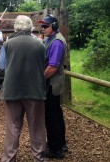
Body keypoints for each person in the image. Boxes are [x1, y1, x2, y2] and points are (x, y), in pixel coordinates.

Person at [0, 15, 47, 162]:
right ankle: (39, 158)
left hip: (13, 90)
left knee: (13, 127)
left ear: (16, 27)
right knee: (37, 127)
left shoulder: (8, 43)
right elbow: (43, 62)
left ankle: (9, 159)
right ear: (31, 26)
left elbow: (1, 65)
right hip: (35, 90)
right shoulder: (40, 44)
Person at [38, 14, 67, 159]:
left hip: (51, 83)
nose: (42, 29)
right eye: (42, 26)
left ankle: (56, 149)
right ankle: (61, 143)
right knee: (56, 113)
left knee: (51, 116)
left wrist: (38, 79)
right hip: (53, 83)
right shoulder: (51, 39)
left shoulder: (56, 42)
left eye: (45, 26)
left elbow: (52, 67)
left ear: (54, 27)